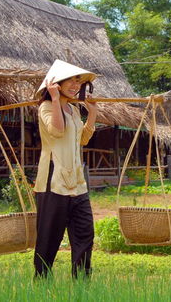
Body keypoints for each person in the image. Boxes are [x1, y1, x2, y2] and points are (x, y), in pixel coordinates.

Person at [33, 60, 98, 279]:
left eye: (78, 81)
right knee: (49, 238)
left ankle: (81, 283)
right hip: (53, 182)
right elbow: (57, 132)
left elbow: (83, 140)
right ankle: (41, 281)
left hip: (77, 183)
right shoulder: (45, 107)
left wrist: (92, 113)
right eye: (70, 80)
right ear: (56, 83)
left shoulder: (74, 110)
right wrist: (54, 99)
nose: (75, 85)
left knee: (85, 233)